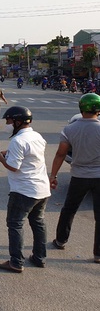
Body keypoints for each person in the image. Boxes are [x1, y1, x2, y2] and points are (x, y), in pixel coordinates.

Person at [0, 106, 50, 272]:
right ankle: (39, 258)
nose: (7, 124)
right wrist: (8, 152)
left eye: (8, 121)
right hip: (42, 189)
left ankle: (16, 262)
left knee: (15, 224)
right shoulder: (37, 136)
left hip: (24, 190)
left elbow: (13, 166)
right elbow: (29, 157)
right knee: (38, 223)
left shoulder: (17, 141)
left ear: (17, 121)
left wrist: (1, 158)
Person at [49, 93, 100, 263]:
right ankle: (98, 254)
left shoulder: (70, 129)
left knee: (69, 210)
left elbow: (60, 154)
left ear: (81, 108)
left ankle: (61, 240)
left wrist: (53, 175)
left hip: (79, 176)